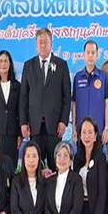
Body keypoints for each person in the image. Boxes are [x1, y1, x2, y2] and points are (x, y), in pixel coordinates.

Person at [19, 28, 71, 171]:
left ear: (51, 43)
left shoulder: (61, 65)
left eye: (46, 42)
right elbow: (23, 97)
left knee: (56, 166)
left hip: (55, 126)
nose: (43, 45)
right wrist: (23, 122)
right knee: (36, 167)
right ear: (36, 45)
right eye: (40, 42)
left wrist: (63, 121)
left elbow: (66, 96)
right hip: (34, 126)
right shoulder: (28, 65)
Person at [0, 50, 21, 165]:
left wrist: (19, 134)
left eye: (6, 61)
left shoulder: (17, 85)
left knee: (11, 165)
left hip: (12, 134)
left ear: (10, 64)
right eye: (0, 61)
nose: (3, 64)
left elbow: (20, 111)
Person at [72, 41, 108, 145]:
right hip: (81, 131)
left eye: (93, 52)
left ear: (97, 55)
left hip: (98, 131)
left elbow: (107, 103)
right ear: (83, 55)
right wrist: (74, 127)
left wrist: (106, 128)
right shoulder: (77, 77)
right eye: (88, 52)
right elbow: (74, 103)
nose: (90, 55)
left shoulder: (103, 77)